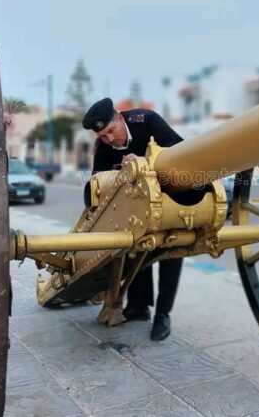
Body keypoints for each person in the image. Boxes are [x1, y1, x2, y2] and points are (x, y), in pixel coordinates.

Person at [82, 97, 183, 341]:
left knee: (172, 250)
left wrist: (145, 161)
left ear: (119, 117)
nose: (109, 139)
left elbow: (179, 149)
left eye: (111, 131)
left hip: (169, 197)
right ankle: (139, 306)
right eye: (103, 136)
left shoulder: (146, 121)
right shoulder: (104, 148)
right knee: (134, 250)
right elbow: (98, 187)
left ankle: (162, 315)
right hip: (136, 208)